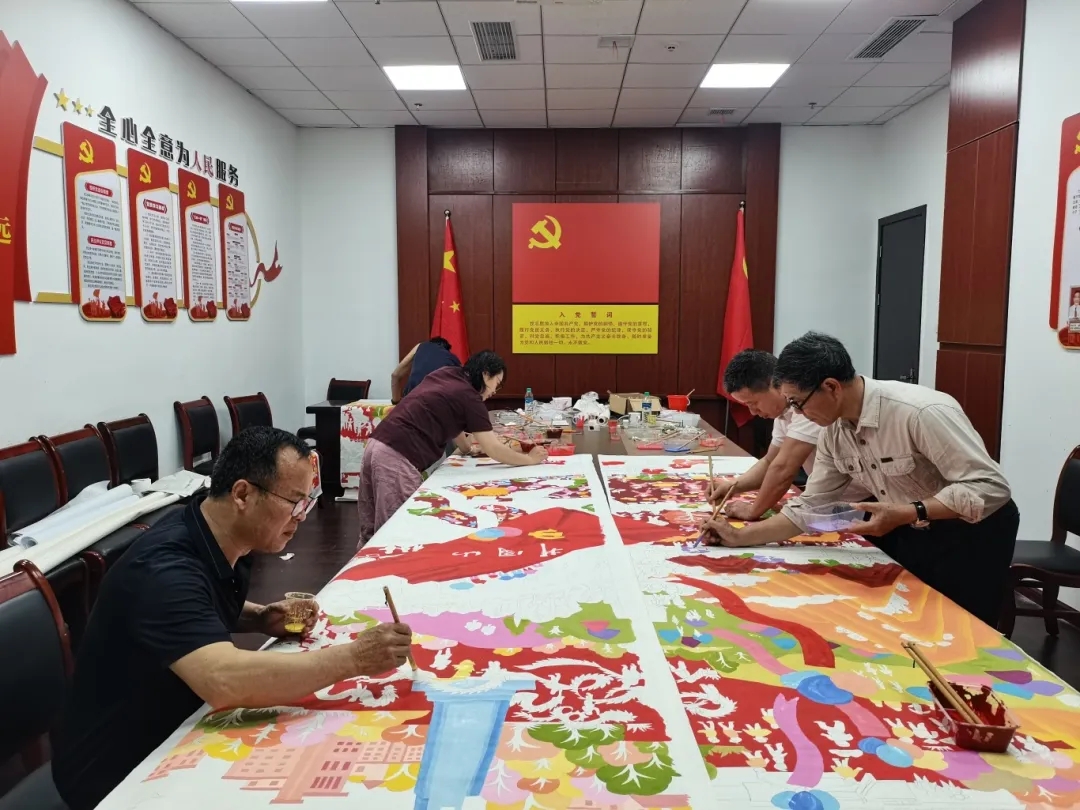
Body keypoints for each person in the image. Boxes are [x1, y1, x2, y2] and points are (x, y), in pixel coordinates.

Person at [51, 427, 413, 810]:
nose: (301, 517)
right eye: (294, 502)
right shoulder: (164, 569)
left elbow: (196, 605)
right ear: (242, 494)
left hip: (177, 722)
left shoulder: (218, 533)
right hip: (116, 769)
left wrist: (259, 618)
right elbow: (224, 680)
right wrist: (354, 658)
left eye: (306, 503)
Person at [702, 332, 1018, 628]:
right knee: (913, 620)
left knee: (965, 629)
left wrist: (912, 511)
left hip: (972, 531)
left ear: (831, 387)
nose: (796, 414)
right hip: (911, 525)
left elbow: (989, 487)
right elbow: (811, 506)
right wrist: (740, 537)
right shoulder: (834, 430)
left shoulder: (919, 412)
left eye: (797, 403)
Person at [359, 350, 546, 545]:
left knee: (371, 531)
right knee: (396, 531)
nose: (494, 392)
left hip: (376, 445)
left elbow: (452, 424)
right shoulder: (469, 396)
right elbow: (494, 449)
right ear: (485, 374)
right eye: (496, 384)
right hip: (396, 455)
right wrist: (529, 459)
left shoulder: (448, 374)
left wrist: (467, 449)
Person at [707, 349, 865, 520]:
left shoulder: (809, 408)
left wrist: (753, 511)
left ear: (774, 384)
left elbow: (783, 468)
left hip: (860, 503)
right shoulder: (784, 413)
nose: (752, 412)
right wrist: (733, 486)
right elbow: (770, 461)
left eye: (753, 403)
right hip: (830, 502)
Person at [392, 336, 459, 404]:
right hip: (440, 403)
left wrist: (395, 402)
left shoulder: (420, 346)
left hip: (412, 401)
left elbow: (395, 375)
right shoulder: (453, 359)